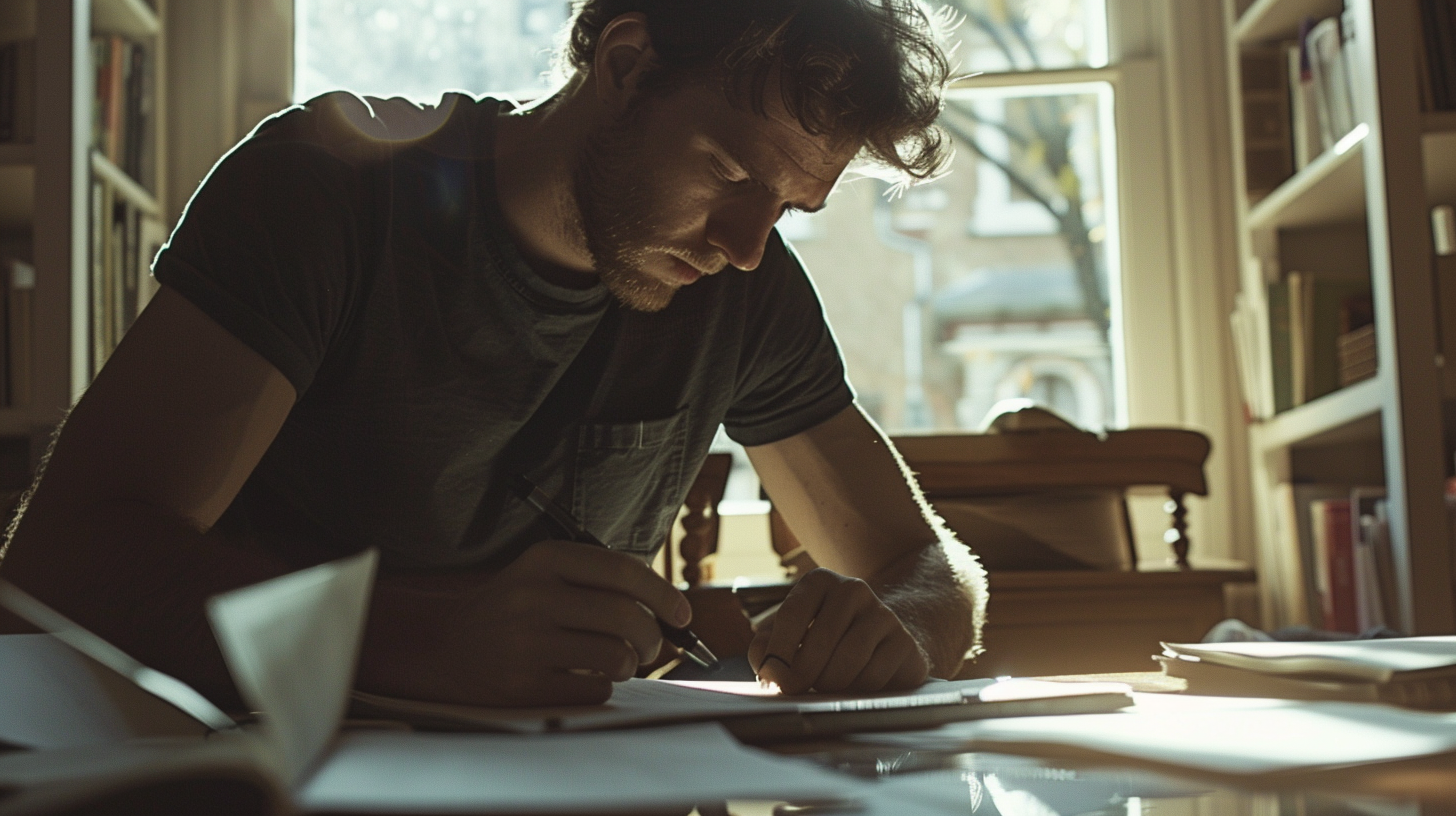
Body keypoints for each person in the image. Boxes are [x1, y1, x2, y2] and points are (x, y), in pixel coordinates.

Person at [0, 0, 986, 709]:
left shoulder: (741, 287)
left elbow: (931, 568)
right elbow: (67, 563)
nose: (745, 241)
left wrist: (894, 628)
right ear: (626, 63)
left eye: (789, 208)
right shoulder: (327, 192)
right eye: (728, 170)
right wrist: (422, 636)